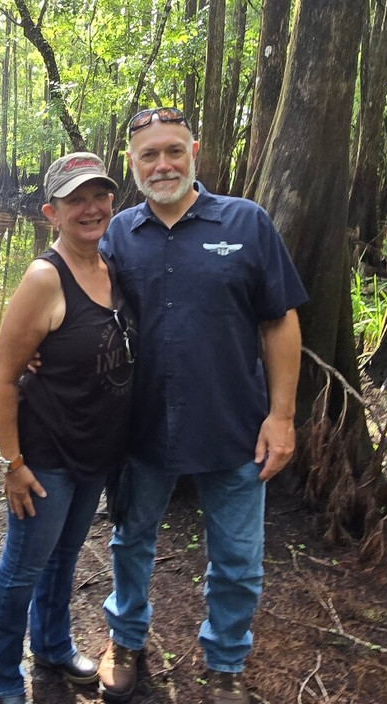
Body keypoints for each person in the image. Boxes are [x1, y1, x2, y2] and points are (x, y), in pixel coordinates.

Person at [95, 107, 307, 704]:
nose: (162, 164)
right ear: (132, 164)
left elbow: (279, 321)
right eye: (148, 155)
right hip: (140, 427)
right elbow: (82, 308)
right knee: (130, 539)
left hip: (233, 422)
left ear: (195, 151)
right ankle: (127, 638)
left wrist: (282, 416)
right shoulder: (119, 234)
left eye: (173, 151)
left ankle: (225, 663)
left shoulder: (246, 222)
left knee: (237, 558)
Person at [0, 152, 136, 704]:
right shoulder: (45, 276)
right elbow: (1, 377)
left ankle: (51, 644)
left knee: (65, 556)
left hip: (95, 449)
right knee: (23, 566)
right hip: (46, 454)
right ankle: (1, 676)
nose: (91, 208)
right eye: (76, 200)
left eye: (99, 196)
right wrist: (13, 465)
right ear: (52, 212)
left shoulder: (115, 265)